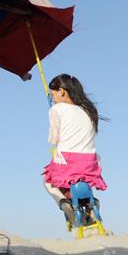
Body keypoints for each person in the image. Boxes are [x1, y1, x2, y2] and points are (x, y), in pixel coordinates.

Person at [42, 74, 107, 225]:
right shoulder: (89, 110)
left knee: (48, 181)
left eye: (53, 94)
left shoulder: (57, 109)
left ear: (62, 91)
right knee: (71, 178)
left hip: (68, 159)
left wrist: (52, 112)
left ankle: (65, 203)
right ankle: (91, 204)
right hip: (90, 162)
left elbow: (53, 139)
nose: (53, 99)